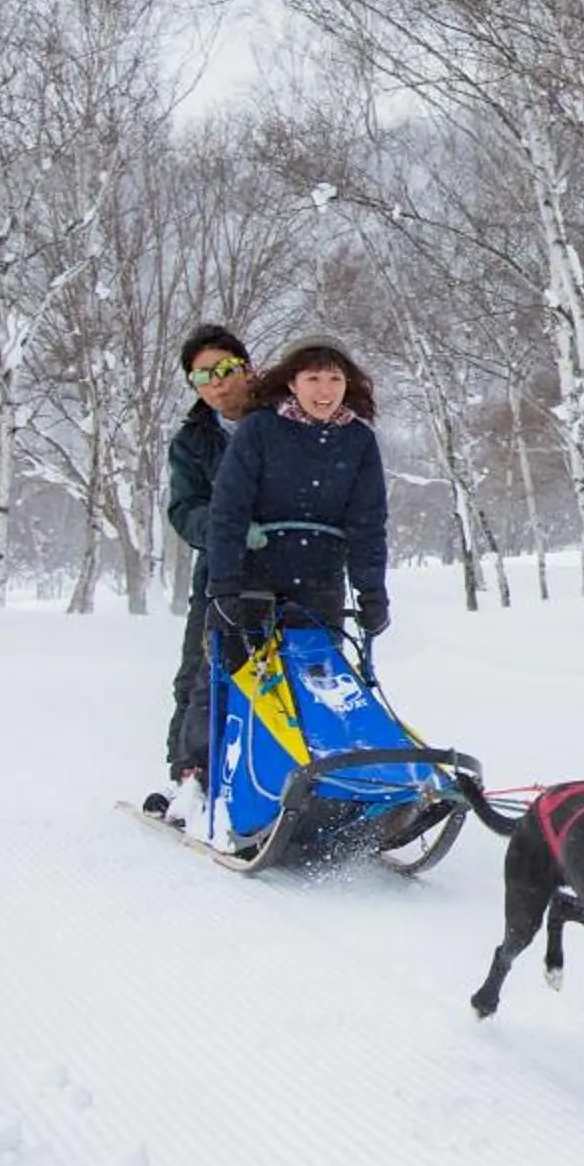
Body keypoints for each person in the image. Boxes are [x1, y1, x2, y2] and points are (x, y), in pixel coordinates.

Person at [204, 336, 391, 654]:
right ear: (292, 383)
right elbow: (228, 510)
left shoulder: (358, 441)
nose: (325, 390)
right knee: (235, 687)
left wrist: (372, 594)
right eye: (313, 379)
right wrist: (223, 587)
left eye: (335, 379)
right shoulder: (259, 429)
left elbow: (367, 524)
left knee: (316, 686)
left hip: (320, 581)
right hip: (254, 575)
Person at [145, 324, 256, 817]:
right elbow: (184, 508)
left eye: (225, 370)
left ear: (246, 368)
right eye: (201, 376)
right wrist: (228, 528)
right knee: (201, 674)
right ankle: (188, 776)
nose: (217, 384)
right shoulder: (193, 442)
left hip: (293, 569)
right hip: (221, 573)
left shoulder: (281, 421)